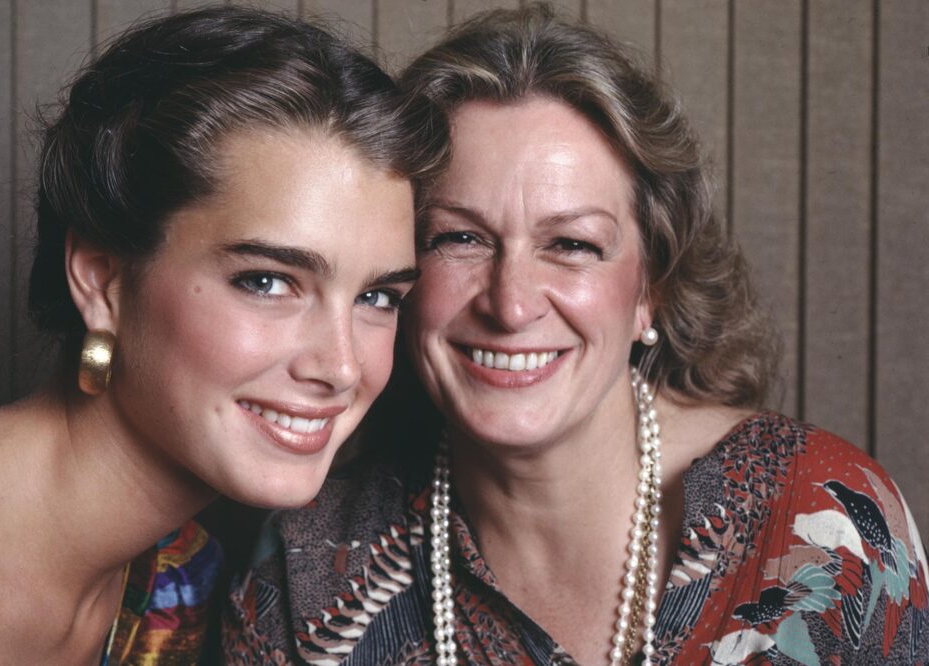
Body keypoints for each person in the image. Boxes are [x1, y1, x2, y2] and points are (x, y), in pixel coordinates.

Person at [225, 4, 929, 665]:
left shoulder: (826, 519)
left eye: (572, 244)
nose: (512, 303)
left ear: (649, 288)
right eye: (460, 237)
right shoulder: (304, 568)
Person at [0, 6, 446, 664]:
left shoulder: (183, 586)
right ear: (102, 281)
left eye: (378, 297)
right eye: (267, 282)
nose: (342, 367)